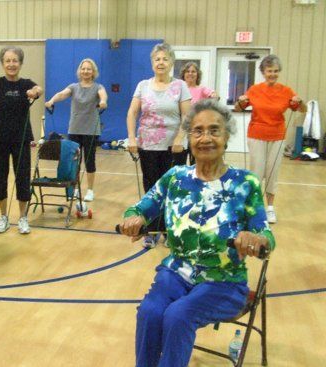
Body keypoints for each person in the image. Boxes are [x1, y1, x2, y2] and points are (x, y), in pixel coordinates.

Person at [118, 99, 275, 367]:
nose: (206, 138)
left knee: (179, 315)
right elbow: (140, 208)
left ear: (227, 137)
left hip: (224, 282)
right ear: (189, 137)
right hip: (176, 273)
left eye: (214, 131)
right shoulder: (175, 177)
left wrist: (256, 239)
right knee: (150, 312)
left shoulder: (245, 183)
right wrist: (134, 218)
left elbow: (267, 237)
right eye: (198, 131)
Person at [126, 43, 191, 248]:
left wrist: (180, 138)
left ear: (171, 62)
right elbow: (132, 113)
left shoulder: (180, 86)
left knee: (174, 190)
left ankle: (172, 231)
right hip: (148, 144)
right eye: (157, 59)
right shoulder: (143, 85)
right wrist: (131, 138)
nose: (160, 62)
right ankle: (153, 230)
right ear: (152, 63)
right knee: (151, 188)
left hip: (174, 147)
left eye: (165, 59)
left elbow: (187, 116)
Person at [0, 46, 43, 234]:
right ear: (3, 63)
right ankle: (3, 217)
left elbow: (39, 89)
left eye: (15, 61)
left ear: (20, 63)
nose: (11, 64)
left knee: (22, 178)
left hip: (21, 139)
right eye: (8, 61)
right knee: (0, 177)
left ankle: (23, 218)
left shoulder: (25, 84)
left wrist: (35, 92)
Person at [235, 54, 306, 224]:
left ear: (278, 72)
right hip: (256, 135)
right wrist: (241, 100)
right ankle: (253, 207)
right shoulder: (254, 90)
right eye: (269, 71)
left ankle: (271, 208)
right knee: (256, 173)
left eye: (275, 71)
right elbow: (239, 108)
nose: (272, 74)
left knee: (272, 173)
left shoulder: (286, 91)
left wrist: (300, 101)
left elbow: (303, 109)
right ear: (263, 72)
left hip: (277, 136)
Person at [44, 58, 108, 202]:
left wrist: (103, 102)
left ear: (93, 72)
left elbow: (103, 95)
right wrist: (52, 101)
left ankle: (90, 190)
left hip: (91, 130)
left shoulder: (98, 87)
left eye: (88, 69)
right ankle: (75, 187)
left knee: (89, 161)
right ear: (80, 71)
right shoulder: (73, 87)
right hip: (75, 129)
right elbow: (62, 94)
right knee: (74, 161)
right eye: (83, 68)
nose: (85, 71)